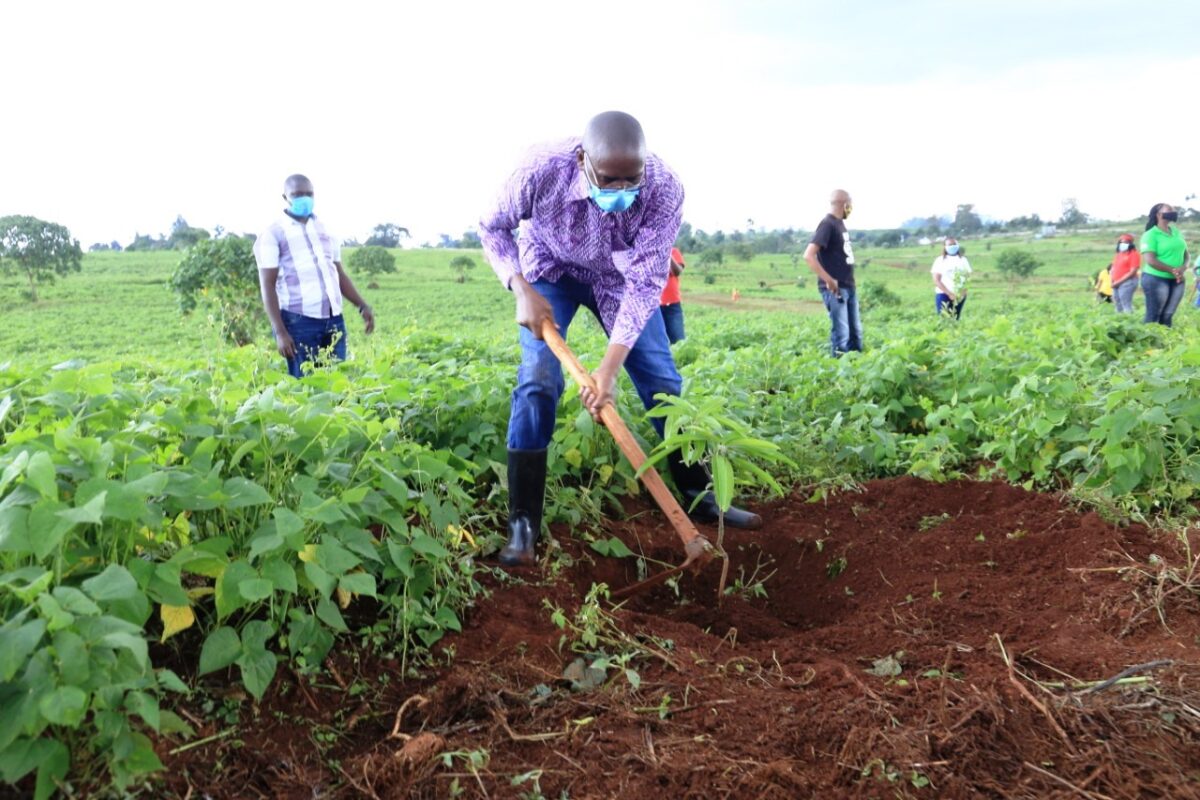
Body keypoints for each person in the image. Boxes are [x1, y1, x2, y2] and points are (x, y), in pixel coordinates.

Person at [478, 111, 762, 567]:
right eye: (609, 180)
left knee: (661, 380)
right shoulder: (539, 169)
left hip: (618, 278)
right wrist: (519, 287)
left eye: (631, 180)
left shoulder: (664, 188)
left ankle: (699, 495)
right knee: (538, 381)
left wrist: (608, 369)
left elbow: (648, 282)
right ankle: (523, 524)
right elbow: (491, 227)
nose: (621, 192)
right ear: (581, 161)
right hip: (547, 271)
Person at [254, 174, 375, 377]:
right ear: (285, 197)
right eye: (297, 194)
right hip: (298, 321)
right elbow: (267, 286)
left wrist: (362, 305)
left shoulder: (326, 230)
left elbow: (339, 274)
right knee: (305, 387)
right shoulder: (273, 234)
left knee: (336, 383)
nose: (304, 198)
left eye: (309, 194)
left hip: (334, 319)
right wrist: (281, 332)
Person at [804, 190, 861, 356]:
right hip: (836, 289)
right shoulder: (827, 224)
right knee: (842, 336)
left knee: (855, 334)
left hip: (848, 286)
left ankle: (857, 371)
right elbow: (808, 255)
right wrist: (828, 280)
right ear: (845, 204)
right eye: (850, 204)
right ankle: (840, 374)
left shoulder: (839, 224)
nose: (851, 208)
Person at [1139, 202, 1189, 326]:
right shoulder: (1150, 235)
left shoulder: (1175, 232)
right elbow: (1150, 260)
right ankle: (1148, 341)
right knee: (1154, 315)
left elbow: (1186, 254)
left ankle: (1165, 342)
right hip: (1155, 279)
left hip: (1177, 279)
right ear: (1159, 214)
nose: (1173, 212)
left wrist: (1183, 268)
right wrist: (1173, 270)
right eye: (1169, 210)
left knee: (1168, 314)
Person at [930, 237, 972, 318]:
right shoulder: (940, 260)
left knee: (955, 318)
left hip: (959, 295)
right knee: (944, 318)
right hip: (943, 294)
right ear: (945, 247)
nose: (952, 246)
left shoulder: (963, 260)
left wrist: (964, 291)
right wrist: (949, 294)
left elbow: (968, 278)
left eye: (954, 244)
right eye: (950, 245)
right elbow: (936, 280)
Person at [659, 247, 686, 344]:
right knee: (657, 342)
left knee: (678, 341)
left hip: (672, 304)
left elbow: (677, 271)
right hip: (652, 305)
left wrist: (665, 251)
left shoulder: (673, 251)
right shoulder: (647, 253)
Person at [1109, 233, 1140, 313]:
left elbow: (1132, 272)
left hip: (1127, 282)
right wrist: (1112, 280)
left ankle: (1129, 321)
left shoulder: (1134, 254)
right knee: (1117, 303)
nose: (1123, 244)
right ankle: (1119, 321)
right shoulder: (1119, 254)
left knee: (1125, 304)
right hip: (1116, 282)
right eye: (1121, 242)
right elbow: (1113, 267)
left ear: (1130, 244)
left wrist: (1118, 282)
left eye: (1125, 242)